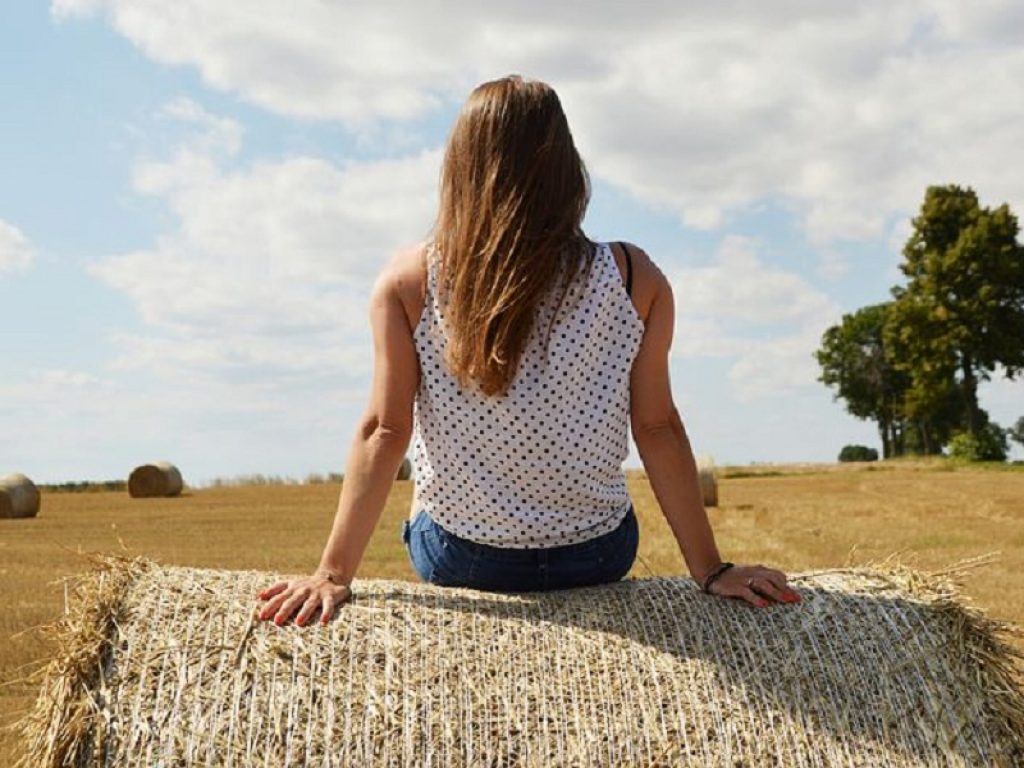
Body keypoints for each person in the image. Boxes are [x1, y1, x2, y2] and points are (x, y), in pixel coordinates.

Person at [258, 75, 801, 627]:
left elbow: (385, 430)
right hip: (597, 553)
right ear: (568, 169)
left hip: (463, 557)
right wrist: (710, 570)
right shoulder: (636, 277)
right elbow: (658, 427)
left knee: (424, 496)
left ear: (461, 170)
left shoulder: (408, 281)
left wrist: (332, 573)